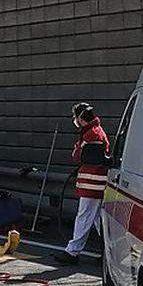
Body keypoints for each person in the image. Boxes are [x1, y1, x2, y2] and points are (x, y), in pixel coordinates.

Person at [58, 102, 110, 265]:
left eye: (76, 117)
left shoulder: (91, 135)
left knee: (84, 216)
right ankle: (109, 252)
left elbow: (77, 155)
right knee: (96, 219)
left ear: (81, 118)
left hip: (92, 183)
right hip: (94, 182)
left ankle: (72, 252)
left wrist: (77, 150)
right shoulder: (94, 132)